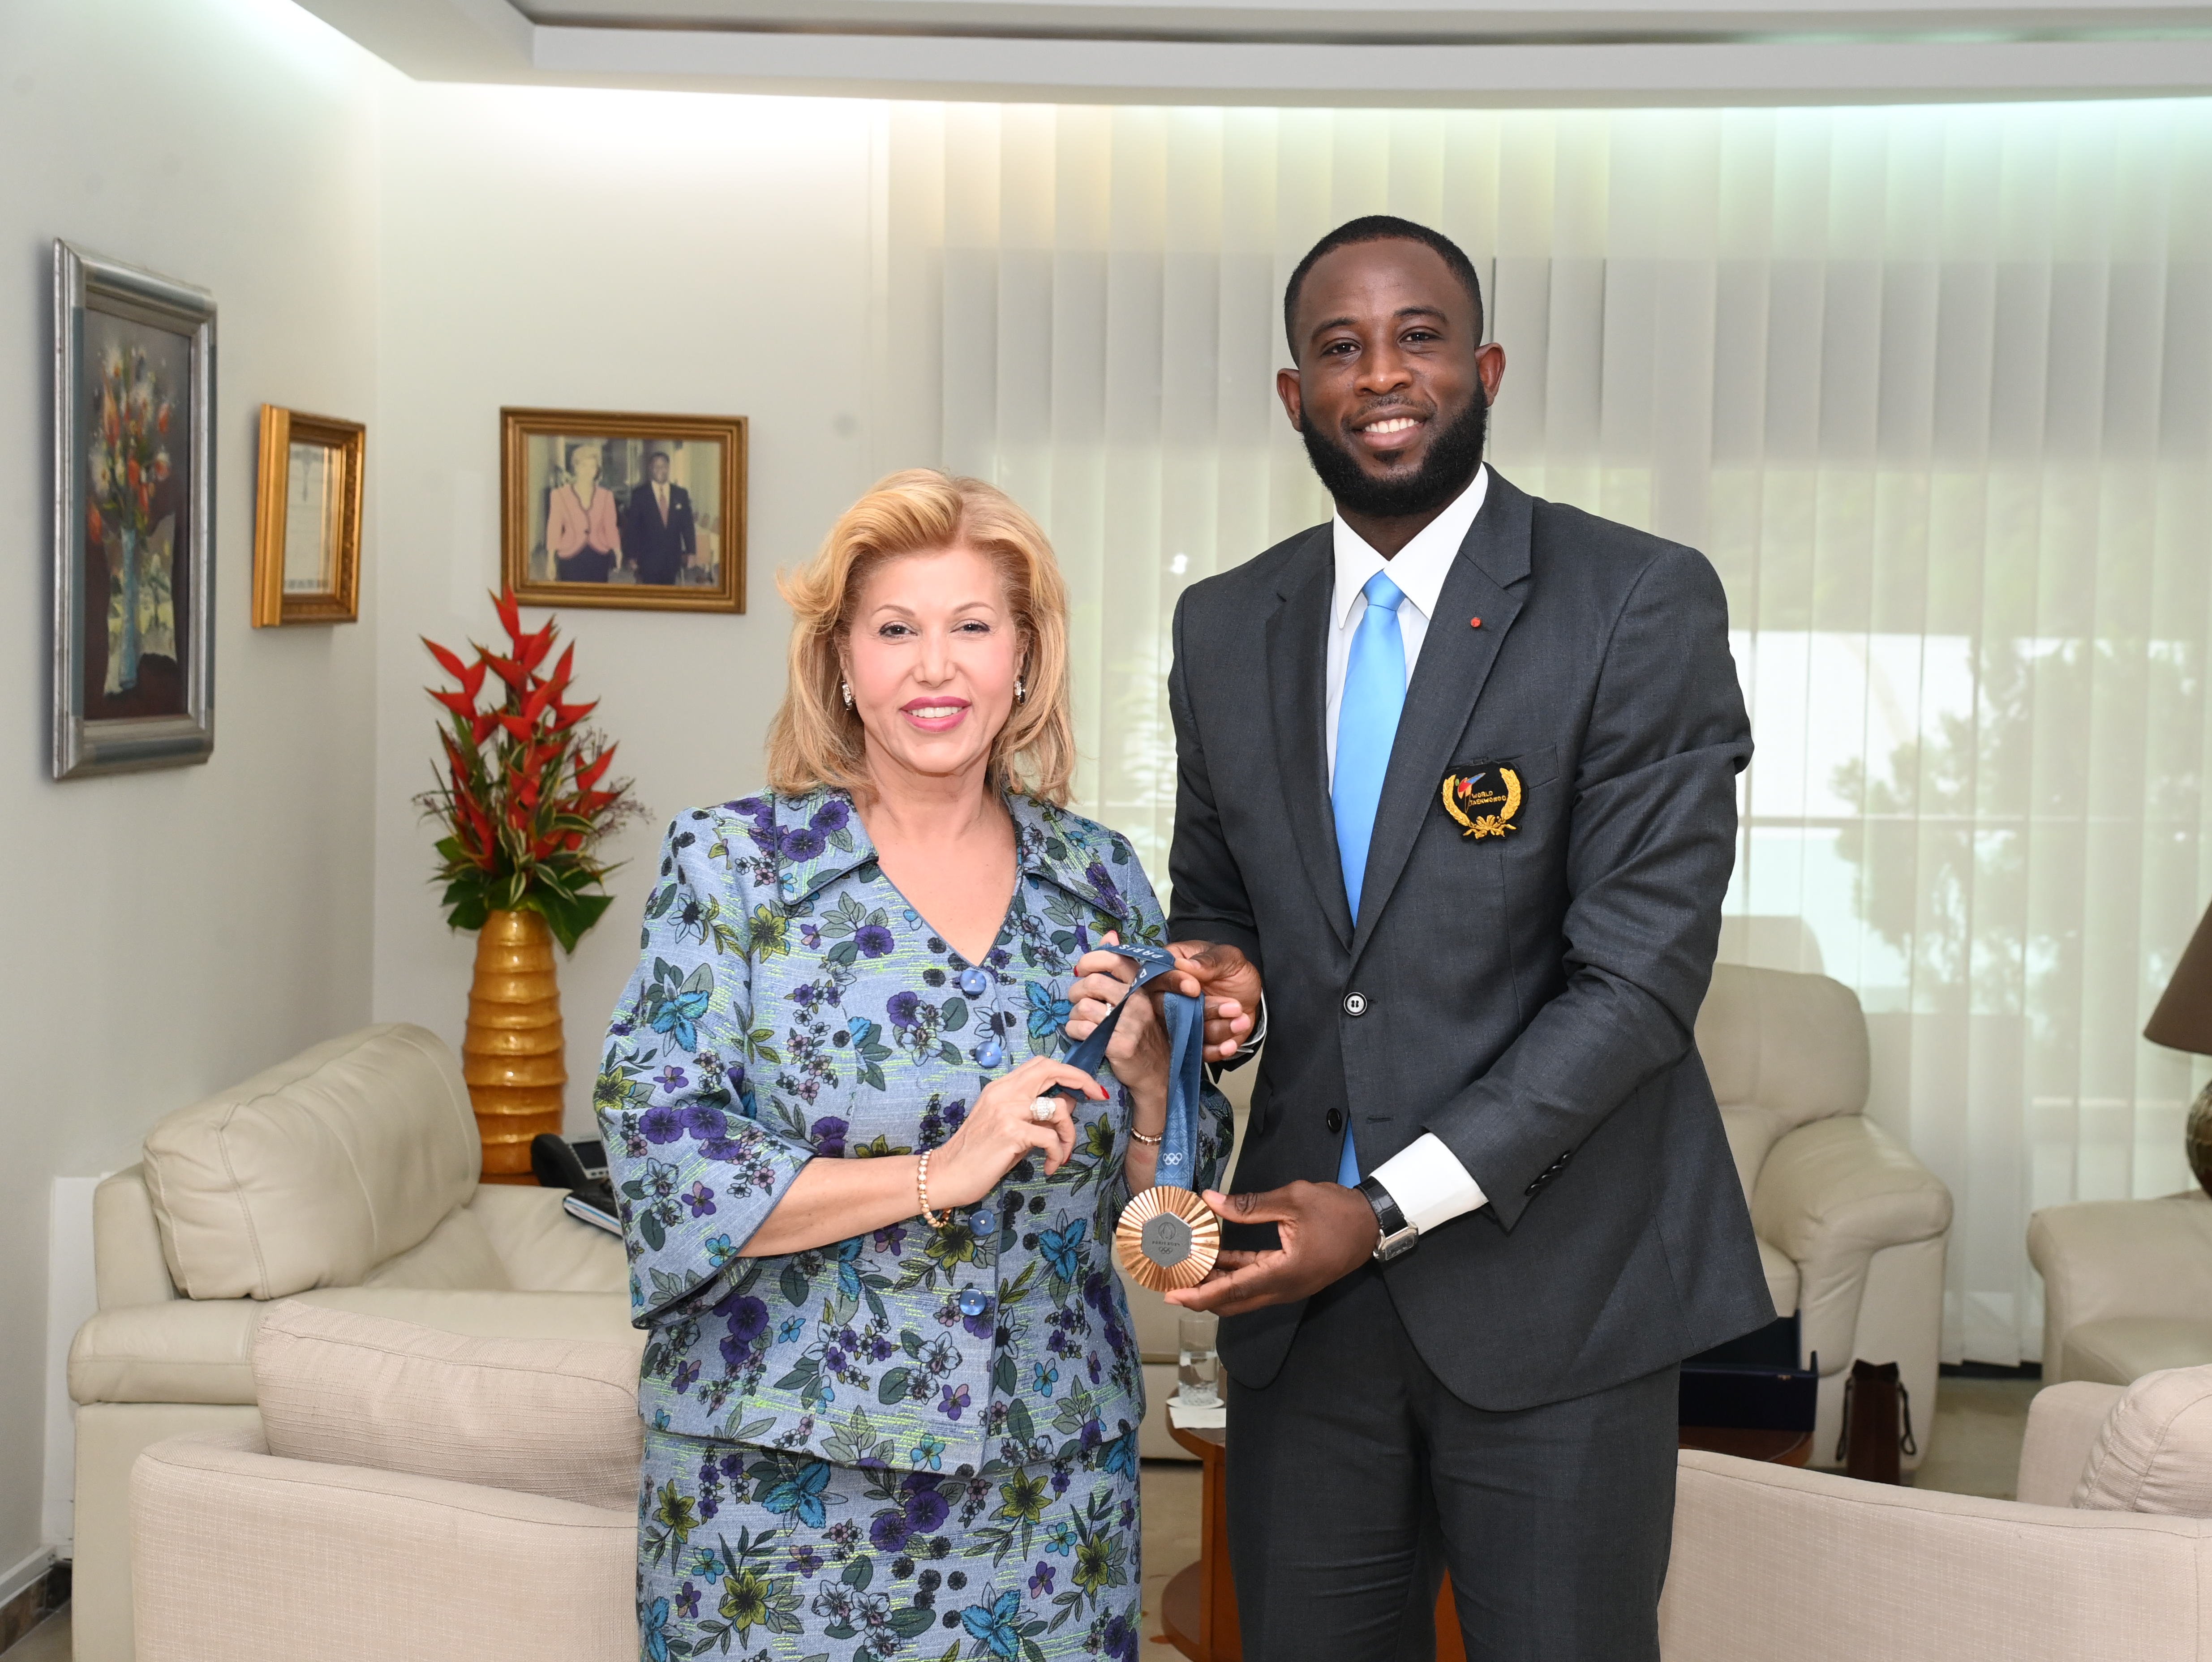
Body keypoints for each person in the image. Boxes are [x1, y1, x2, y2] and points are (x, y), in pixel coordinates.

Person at [1153, 216, 1773, 1661]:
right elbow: (1212, 898)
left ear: (1483, 366)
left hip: (1558, 1288)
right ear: (1289, 394)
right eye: (1339, 345)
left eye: (1417, 335)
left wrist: (1377, 1211)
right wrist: (1222, 976)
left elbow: (1634, 984)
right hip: (1300, 1321)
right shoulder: (1220, 623)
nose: (1381, 371)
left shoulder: (1633, 599)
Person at [597, 470, 1242, 1662]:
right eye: (896, 630)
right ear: (842, 659)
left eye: (971, 628)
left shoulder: (1101, 883)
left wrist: (1156, 1084)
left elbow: (1166, 1235)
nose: (934, 668)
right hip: (773, 1500)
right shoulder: (733, 865)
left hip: (1046, 1504)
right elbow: (668, 1167)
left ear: (1025, 659)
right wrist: (939, 1172)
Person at [623, 446, 697, 587]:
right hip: (648, 558)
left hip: (672, 557)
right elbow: (633, 528)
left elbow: (688, 526)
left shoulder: (681, 494)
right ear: (650, 469)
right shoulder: (640, 494)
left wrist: (691, 552)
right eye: (656, 466)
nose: (660, 470)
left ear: (669, 468)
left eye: (663, 466)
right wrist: (632, 556)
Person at [548, 439, 620, 582]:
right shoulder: (559, 495)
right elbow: (554, 528)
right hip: (570, 555)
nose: (588, 471)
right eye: (584, 466)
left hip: (599, 554)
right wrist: (550, 559)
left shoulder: (606, 496)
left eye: (593, 467)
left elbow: (611, 527)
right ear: (575, 467)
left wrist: (618, 551)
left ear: (597, 470)